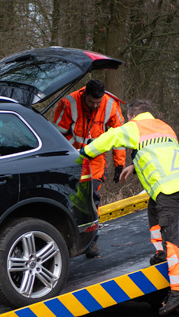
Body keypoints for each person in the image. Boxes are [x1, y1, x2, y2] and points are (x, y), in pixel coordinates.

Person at [77, 100, 179, 315]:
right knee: (153, 209)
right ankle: (160, 254)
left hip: (167, 186)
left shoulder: (134, 127)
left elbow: (109, 138)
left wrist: (84, 152)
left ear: (131, 115)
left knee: (172, 237)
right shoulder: (163, 126)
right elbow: (161, 151)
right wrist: (133, 165)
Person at [54, 79, 126, 258]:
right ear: (84, 94)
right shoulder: (69, 104)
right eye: (91, 102)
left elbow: (119, 137)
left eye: (97, 102)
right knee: (70, 200)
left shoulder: (110, 106)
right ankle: (70, 239)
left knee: (92, 199)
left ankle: (92, 240)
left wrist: (119, 164)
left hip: (95, 161)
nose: (94, 106)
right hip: (72, 159)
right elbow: (56, 133)